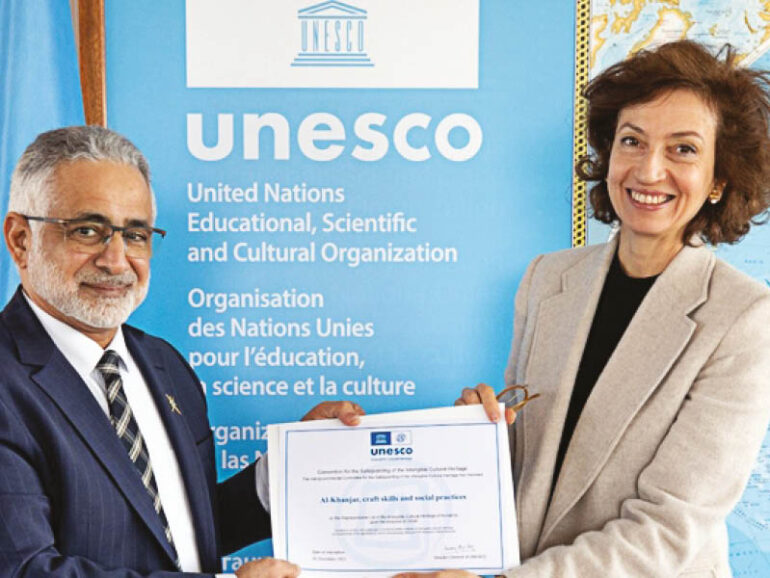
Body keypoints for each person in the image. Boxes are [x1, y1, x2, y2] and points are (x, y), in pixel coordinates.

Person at [398, 41, 770, 578]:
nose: (649, 170)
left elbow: (668, 531)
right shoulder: (548, 279)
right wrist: (481, 436)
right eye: (632, 141)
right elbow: (533, 472)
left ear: (719, 179)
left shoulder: (743, 317)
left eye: (683, 150)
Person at [0, 126, 364, 577]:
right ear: (21, 239)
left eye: (135, 235)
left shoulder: (164, 364)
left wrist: (292, 468)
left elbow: (179, 532)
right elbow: (25, 569)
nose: (116, 260)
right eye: (88, 231)